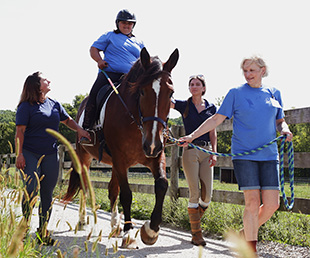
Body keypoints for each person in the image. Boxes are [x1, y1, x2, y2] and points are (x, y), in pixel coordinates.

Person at [178, 57, 293, 254]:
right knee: (252, 202)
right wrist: (192, 136)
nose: (248, 74)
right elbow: (216, 119)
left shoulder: (274, 93)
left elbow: (280, 121)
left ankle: (245, 233)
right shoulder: (236, 93)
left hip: (269, 155)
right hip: (244, 155)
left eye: (252, 70)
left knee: (273, 204)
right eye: (245, 71)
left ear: (263, 70)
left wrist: (285, 129)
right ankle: (250, 249)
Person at [15, 72, 90, 245]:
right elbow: (20, 132)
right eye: (44, 79)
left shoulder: (54, 104)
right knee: (31, 190)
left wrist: (80, 130)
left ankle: (43, 232)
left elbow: (68, 120)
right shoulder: (26, 107)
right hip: (29, 153)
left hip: (50, 154)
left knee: (47, 194)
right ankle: (24, 229)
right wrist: (19, 154)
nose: (48, 81)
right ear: (36, 85)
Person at [81, 9, 145, 143]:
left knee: (150, 96)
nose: (127, 25)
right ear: (118, 24)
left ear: (134, 25)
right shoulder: (109, 36)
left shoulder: (138, 42)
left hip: (132, 78)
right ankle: (87, 130)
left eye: (130, 23)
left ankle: (153, 131)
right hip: (110, 74)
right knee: (94, 94)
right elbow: (93, 49)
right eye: (124, 23)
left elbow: (145, 60)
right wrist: (99, 60)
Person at [171, 75, 217, 246]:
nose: (194, 86)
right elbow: (166, 101)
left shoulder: (211, 107)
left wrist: (214, 152)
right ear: (189, 88)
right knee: (194, 192)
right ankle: (196, 234)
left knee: (207, 196)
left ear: (204, 88)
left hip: (207, 151)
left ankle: (193, 221)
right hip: (190, 151)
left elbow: (213, 131)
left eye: (198, 84)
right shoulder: (184, 105)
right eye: (191, 84)